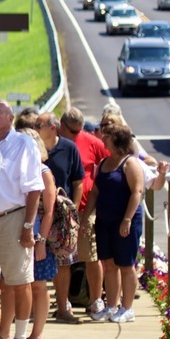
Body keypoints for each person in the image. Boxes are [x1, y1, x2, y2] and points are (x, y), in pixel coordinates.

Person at [0, 100, 44, 339]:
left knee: (20, 281)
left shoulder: (23, 144)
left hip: (13, 218)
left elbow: (34, 188)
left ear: (10, 117)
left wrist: (28, 226)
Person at [85, 121, 145, 323]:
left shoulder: (130, 163)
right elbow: (95, 192)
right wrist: (85, 217)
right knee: (109, 264)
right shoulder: (104, 163)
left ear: (116, 139)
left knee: (126, 264)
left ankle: (127, 308)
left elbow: (137, 192)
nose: (103, 139)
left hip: (125, 222)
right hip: (105, 222)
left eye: (107, 136)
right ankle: (112, 305)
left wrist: (127, 219)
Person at [59, 107, 110, 316]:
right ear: (62, 126)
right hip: (61, 209)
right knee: (63, 258)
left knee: (90, 255)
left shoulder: (91, 141)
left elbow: (110, 161)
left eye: (79, 131)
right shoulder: (55, 143)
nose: (76, 135)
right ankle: (64, 302)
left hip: (85, 209)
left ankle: (96, 298)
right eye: (72, 132)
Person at [36, 112, 83, 324]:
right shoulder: (34, 149)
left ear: (52, 127)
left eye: (40, 125)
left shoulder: (69, 148)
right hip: (37, 212)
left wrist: (74, 212)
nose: (36, 128)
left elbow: (77, 181)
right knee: (36, 258)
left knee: (63, 262)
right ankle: (32, 308)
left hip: (61, 215)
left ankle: (63, 306)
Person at [25, 126, 57, 339]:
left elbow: (49, 210)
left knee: (38, 285)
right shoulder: (22, 170)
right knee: (22, 284)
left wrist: (42, 241)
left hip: (38, 236)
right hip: (22, 233)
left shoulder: (44, 172)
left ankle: (37, 334)